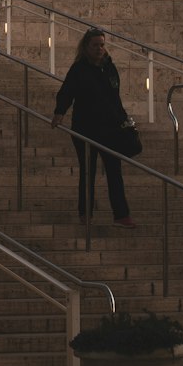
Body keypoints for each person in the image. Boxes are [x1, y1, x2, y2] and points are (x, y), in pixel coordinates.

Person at [51, 28, 137, 228]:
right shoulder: (79, 69)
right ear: (86, 47)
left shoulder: (109, 68)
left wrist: (123, 121)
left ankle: (121, 214)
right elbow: (66, 92)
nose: (100, 49)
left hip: (110, 129)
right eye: (95, 45)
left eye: (102, 45)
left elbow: (115, 98)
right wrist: (59, 112)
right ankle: (85, 213)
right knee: (87, 172)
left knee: (114, 170)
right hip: (85, 129)